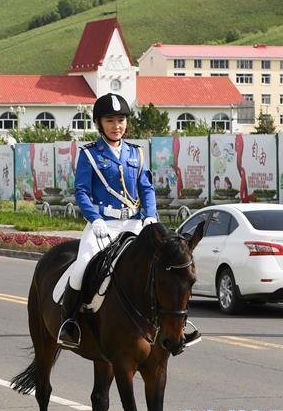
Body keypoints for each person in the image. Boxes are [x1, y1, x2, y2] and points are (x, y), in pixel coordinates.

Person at [57, 93, 201, 350]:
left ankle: (176, 323)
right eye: (110, 120)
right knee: (81, 268)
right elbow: (81, 191)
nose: (117, 125)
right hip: (103, 225)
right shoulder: (90, 154)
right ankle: (70, 324)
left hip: (135, 223)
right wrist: (95, 219)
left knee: (164, 267)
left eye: (121, 119)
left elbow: (146, 188)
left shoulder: (136, 153)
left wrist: (150, 217)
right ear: (99, 123)